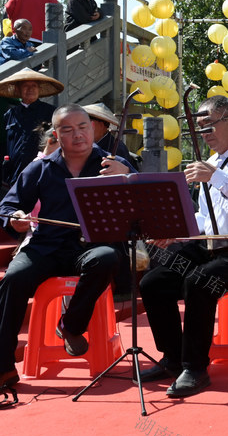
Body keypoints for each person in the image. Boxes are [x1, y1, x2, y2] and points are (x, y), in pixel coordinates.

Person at [139, 95, 228, 398]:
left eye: (209, 126)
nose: (205, 134)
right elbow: (206, 217)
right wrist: (176, 232)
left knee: (198, 282)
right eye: (200, 129)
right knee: (154, 280)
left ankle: (196, 367)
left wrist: (218, 177)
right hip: (211, 244)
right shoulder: (211, 163)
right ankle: (172, 357)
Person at [0, 104, 133, 390]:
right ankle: (3, 367)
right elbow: (9, 205)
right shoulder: (41, 168)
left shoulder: (112, 164)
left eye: (83, 127)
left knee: (107, 257)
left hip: (89, 249)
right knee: (13, 278)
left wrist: (126, 176)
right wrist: (16, 218)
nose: (77, 135)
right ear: (57, 135)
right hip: (46, 247)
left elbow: (142, 200)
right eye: (67, 130)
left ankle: (71, 325)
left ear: (93, 130)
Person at [0, 68, 62, 189]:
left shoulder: (52, 112)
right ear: (18, 89)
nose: (30, 89)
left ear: (39, 89)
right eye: (25, 86)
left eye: (34, 85)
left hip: (42, 173)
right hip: (14, 176)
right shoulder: (10, 114)